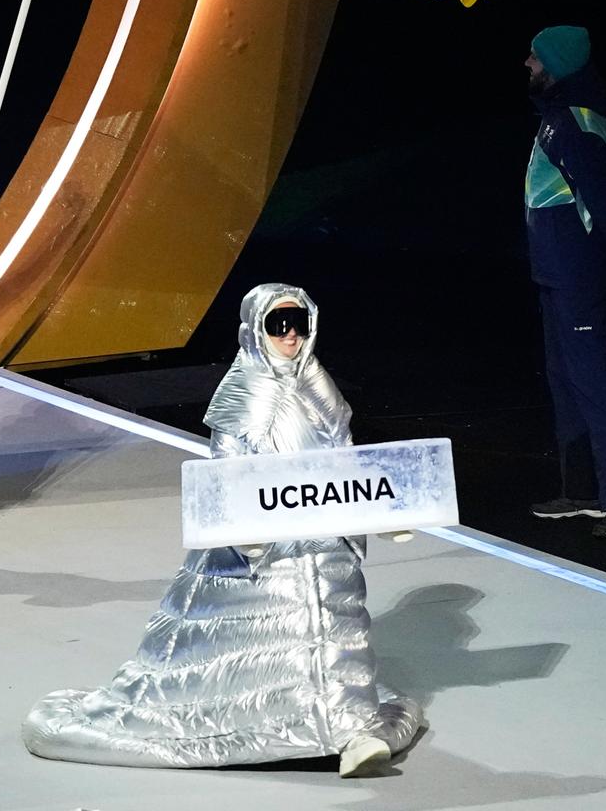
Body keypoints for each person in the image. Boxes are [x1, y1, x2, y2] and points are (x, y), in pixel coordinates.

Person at [23, 285, 423, 777]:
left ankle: (350, 731)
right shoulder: (246, 391)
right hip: (267, 545)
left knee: (332, 633)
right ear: (256, 329)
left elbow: (344, 456)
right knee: (277, 636)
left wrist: (380, 511)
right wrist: (247, 528)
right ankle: (327, 730)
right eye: (278, 325)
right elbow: (229, 465)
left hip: (323, 538)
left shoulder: (318, 385)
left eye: (298, 323)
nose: (291, 335)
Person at [520, 26, 606, 539]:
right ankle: (584, 490)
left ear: (556, 63)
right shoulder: (558, 117)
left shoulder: (576, 123)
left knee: (596, 384)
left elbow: (604, 199)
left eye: (534, 55)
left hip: (577, 275)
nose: (526, 62)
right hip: (555, 272)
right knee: (566, 381)